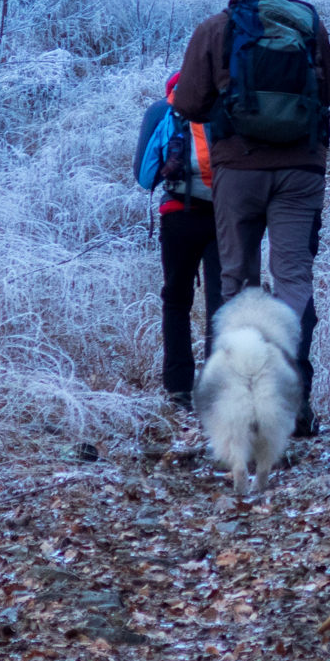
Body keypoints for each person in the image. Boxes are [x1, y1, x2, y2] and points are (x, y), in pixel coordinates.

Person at [174, 0, 330, 437]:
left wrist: (233, 113)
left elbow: (185, 103)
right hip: (301, 173)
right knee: (293, 281)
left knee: (237, 282)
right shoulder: (309, 24)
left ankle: (237, 406)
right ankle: (294, 403)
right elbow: (326, 95)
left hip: (237, 172)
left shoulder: (218, 26)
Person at [135, 71, 222, 411]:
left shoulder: (162, 111)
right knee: (221, 302)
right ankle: (216, 388)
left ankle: (178, 389)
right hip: (223, 217)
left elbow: (143, 178)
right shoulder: (226, 103)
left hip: (177, 215)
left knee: (176, 300)